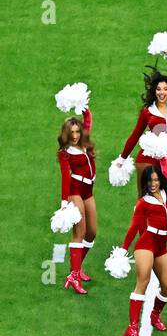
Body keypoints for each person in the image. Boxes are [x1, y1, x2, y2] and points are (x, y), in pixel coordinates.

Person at [119, 165, 167, 336]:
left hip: (161, 246)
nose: (153, 184)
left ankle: (154, 315)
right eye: (149, 180)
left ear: (161, 180)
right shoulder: (143, 202)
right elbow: (134, 226)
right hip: (146, 244)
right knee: (142, 283)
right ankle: (132, 328)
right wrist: (122, 250)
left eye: (156, 179)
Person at [116, 59, 167, 184]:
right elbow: (135, 135)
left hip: (165, 159)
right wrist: (121, 160)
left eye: (165, 89)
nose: (161, 92)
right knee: (147, 199)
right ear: (154, 91)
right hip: (146, 159)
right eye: (158, 89)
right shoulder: (147, 111)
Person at [56, 111, 97, 295]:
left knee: (91, 232)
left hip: (88, 191)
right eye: (71, 132)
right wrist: (64, 202)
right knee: (79, 232)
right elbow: (66, 177)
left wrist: (85, 110)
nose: (74, 136)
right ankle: (73, 276)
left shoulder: (84, 142)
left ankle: (78, 268)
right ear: (66, 134)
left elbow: (88, 122)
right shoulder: (64, 153)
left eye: (77, 131)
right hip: (75, 192)